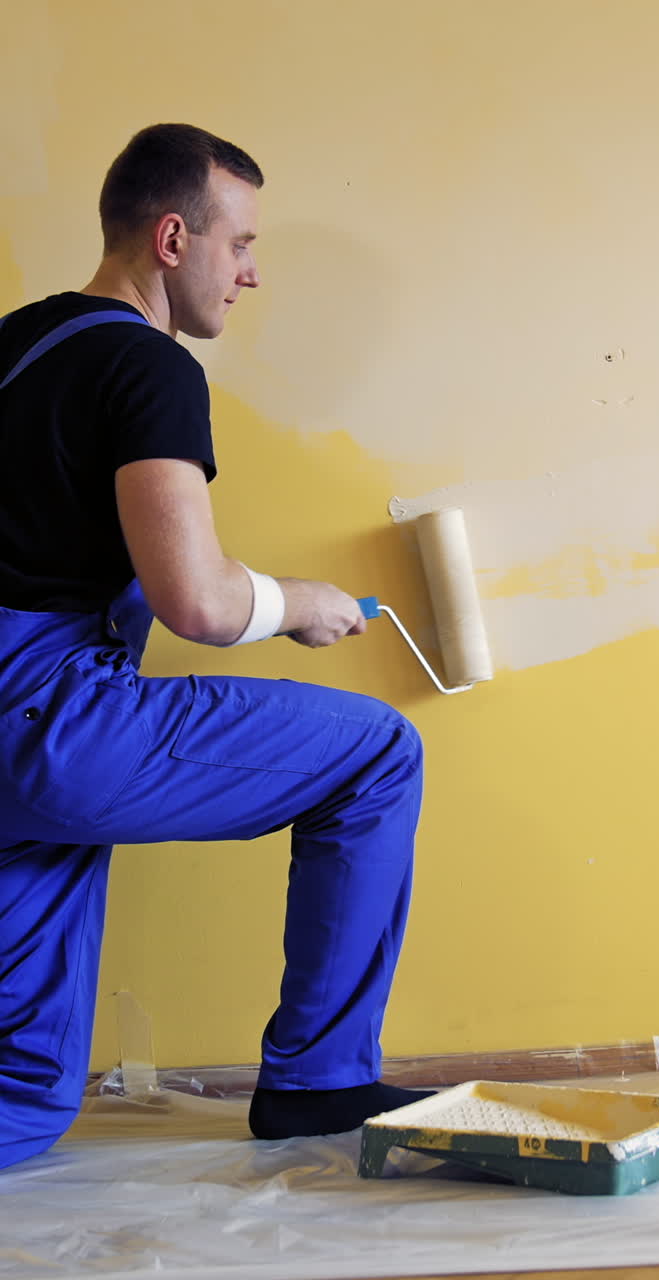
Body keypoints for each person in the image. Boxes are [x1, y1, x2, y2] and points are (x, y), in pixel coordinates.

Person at [0, 123, 429, 1172]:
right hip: (45, 718)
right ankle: (319, 1081)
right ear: (174, 237)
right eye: (240, 245)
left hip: (21, 756)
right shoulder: (149, 369)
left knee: (20, 1092)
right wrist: (299, 602)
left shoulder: (14, 346)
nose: (250, 274)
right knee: (378, 754)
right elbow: (192, 597)